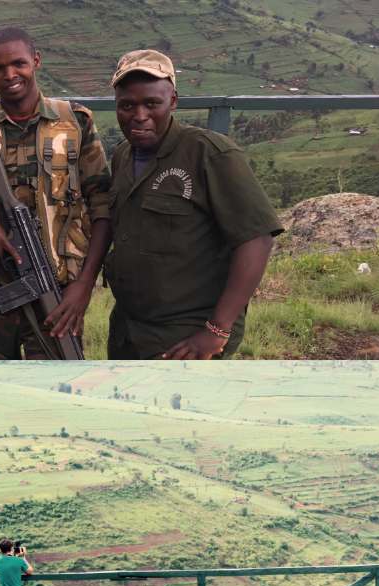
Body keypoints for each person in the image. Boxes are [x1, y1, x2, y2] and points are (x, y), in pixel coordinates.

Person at [0, 28, 112, 361]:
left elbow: (102, 205)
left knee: (57, 387)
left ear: (35, 61)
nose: (10, 75)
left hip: (58, 289)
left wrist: (84, 286)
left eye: (18, 63)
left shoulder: (75, 123)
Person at [105, 50, 284, 361]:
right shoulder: (123, 155)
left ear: (172, 100)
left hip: (185, 339)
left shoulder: (210, 154)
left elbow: (257, 239)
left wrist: (217, 331)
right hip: (128, 331)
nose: (139, 115)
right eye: (127, 105)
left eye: (152, 103)